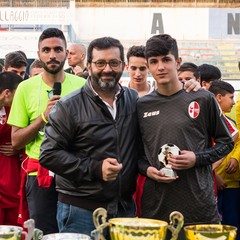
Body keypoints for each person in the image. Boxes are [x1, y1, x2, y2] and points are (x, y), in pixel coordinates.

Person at [136, 34, 234, 240]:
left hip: (198, 205)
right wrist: (148, 169)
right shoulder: (141, 105)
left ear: (178, 62)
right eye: (154, 62)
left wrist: (196, 159)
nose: (160, 67)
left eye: (166, 59)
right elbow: (136, 154)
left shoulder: (202, 98)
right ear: (148, 66)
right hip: (156, 206)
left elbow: (226, 143)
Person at [7, 28, 86, 234]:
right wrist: (43, 118)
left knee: (74, 234)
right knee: (43, 234)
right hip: (39, 175)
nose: (52, 55)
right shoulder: (25, 88)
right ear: (39, 53)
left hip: (75, 174)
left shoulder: (83, 86)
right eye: (46, 50)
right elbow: (16, 141)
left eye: (58, 49)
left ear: (66, 53)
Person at [209, 80, 240, 240]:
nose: (234, 102)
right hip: (212, 182)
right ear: (219, 97)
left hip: (225, 181)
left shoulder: (225, 119)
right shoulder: (210, 114)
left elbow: (234, 136)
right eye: (231, 97)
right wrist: (212, 171)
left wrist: (211, 169)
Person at [0, 72, 23, 226]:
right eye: (18, 94)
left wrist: (18, 146)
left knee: (13, 226)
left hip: (10, 173)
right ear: (7, 93)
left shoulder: (13, 111)